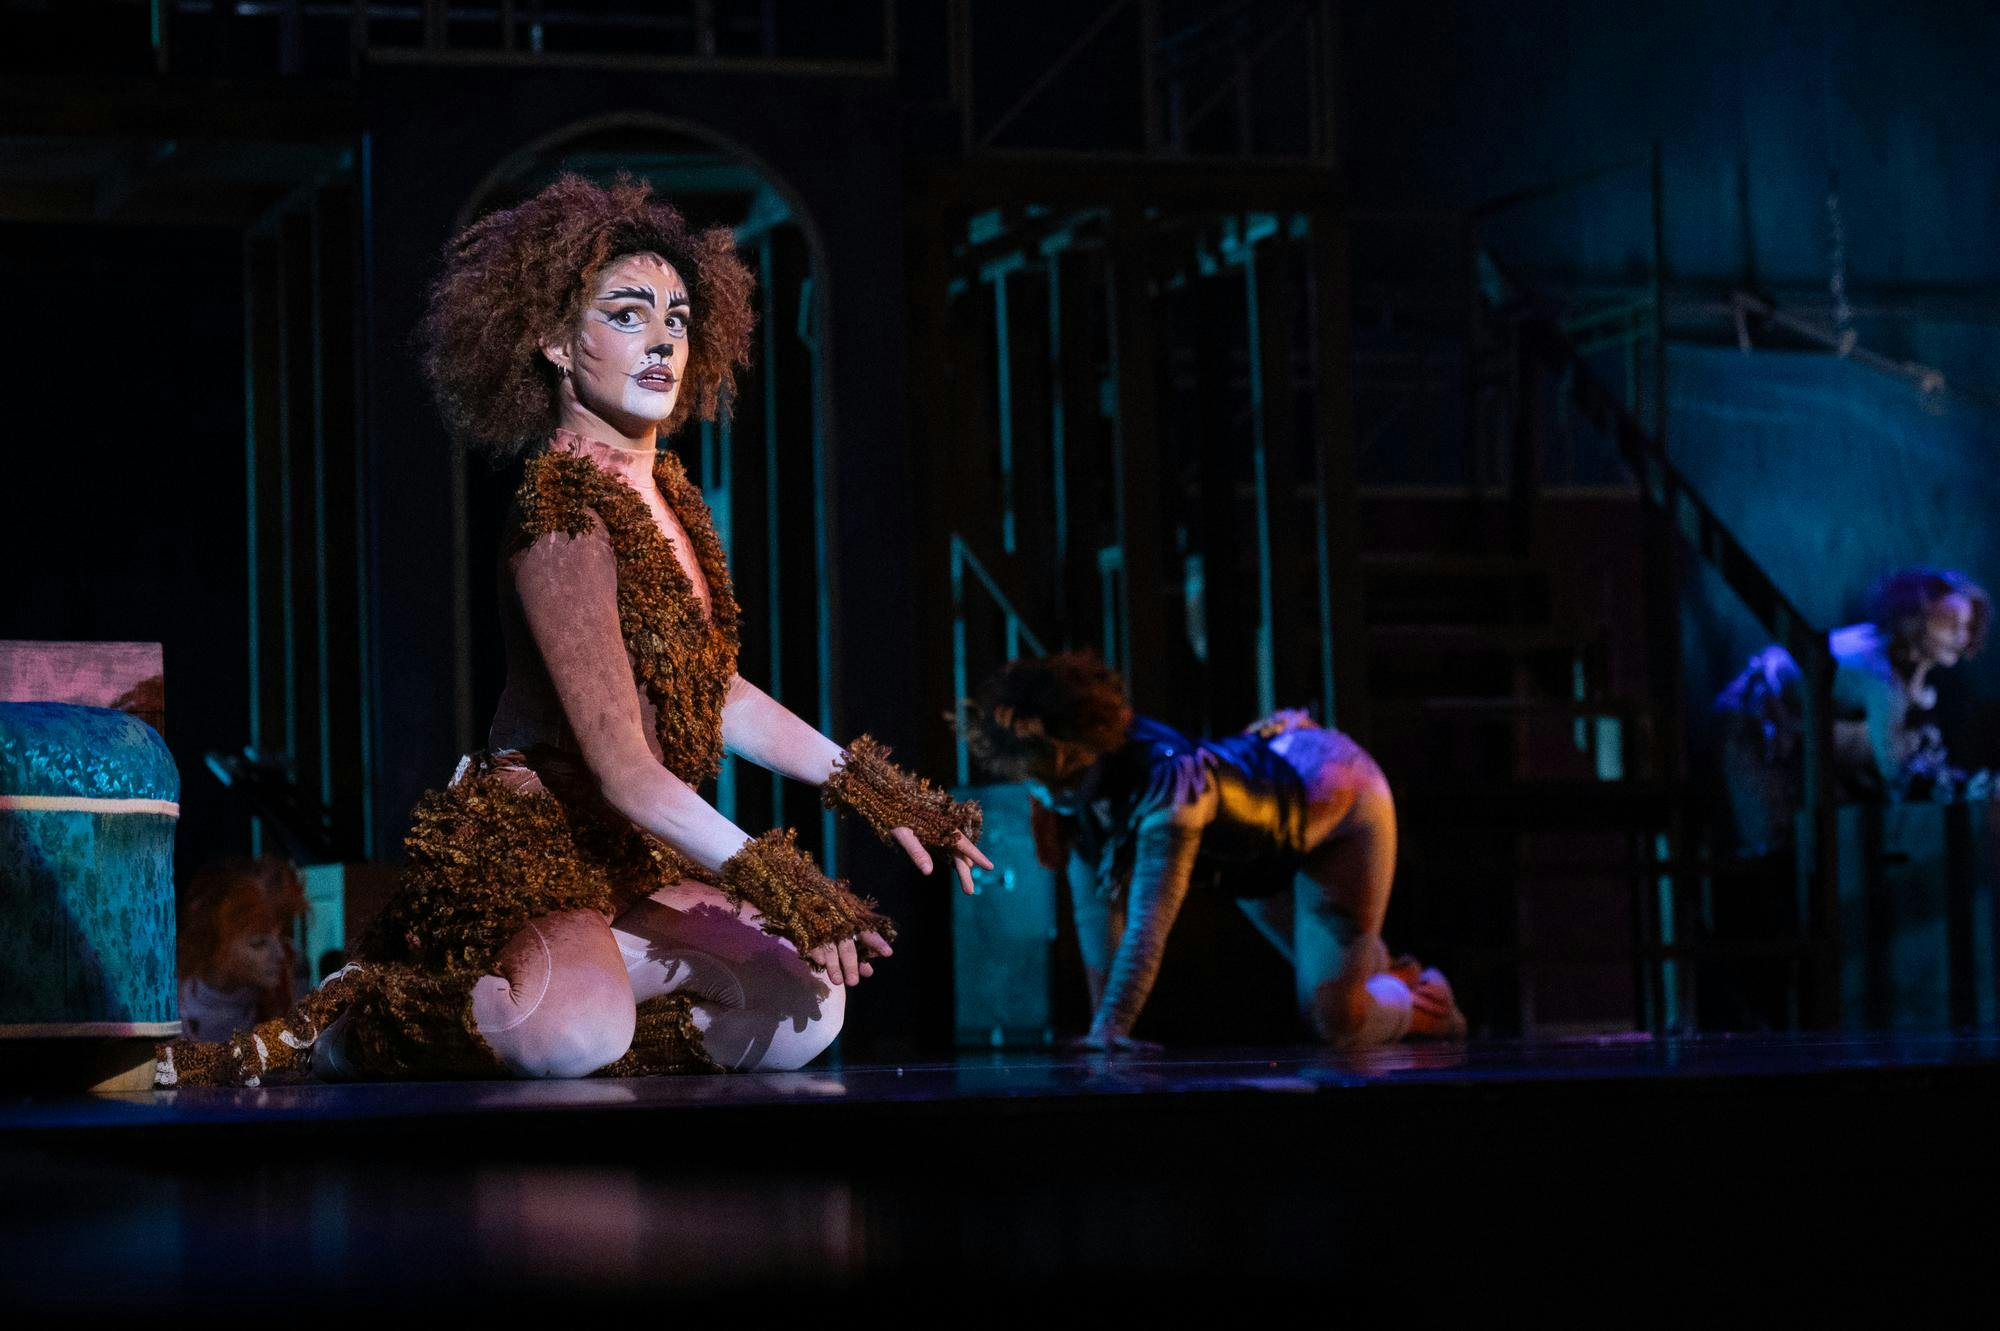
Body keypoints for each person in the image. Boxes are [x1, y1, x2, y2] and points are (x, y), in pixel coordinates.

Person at [158, 174, 987, 1087]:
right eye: (629, 315)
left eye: (675, 317)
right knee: (574, 1037)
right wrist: (784, 881)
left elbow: (711, 689)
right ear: (556, 341)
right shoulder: (561, 511)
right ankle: (361, 1017)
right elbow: (624, 768)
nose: (664, 340)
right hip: (537, 852)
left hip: (631, 854)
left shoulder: (668, 491)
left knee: (807, 1009)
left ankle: (594, 1002)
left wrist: (875, 789)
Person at [962, 652, 1465, 1050]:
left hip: (1338, 801)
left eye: (1055, 782)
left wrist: (1113, 1029)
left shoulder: (1168, 786)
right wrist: (1102, 1028)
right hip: (1253, 857)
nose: (1047, 796)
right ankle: (1396, 977)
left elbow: (1146, 925)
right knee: (1340, 983)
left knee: (1336, 1022)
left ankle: (1432, 1003)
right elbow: (1098, 915)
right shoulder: (1068, 792)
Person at [1715, 566, 1989, 857]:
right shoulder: (1876, 672)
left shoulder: (1891, 669)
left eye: (1967, 626)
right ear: (1916, 618)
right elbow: (1894, 768)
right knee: (1777, 846)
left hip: (1792, 734)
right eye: (1949, 623)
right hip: (1748, 720)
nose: (1961, 635)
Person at [175, 857, 307, 1041]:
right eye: (258, 943)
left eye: (281, 939)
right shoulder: (173, 1002)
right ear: (217, 944)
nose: (280, 954)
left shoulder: (279, 997)